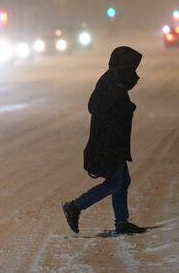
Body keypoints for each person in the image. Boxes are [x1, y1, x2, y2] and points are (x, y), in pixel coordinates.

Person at [63, 46, 147, 235]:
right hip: (109, 143)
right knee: (115, 183)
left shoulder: (114, 80)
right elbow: (100, 109)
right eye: (132, 67)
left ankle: (122, 222)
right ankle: (75, 206)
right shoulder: (111, 83)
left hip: (112, 141)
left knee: (122, 181)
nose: (134, 72)